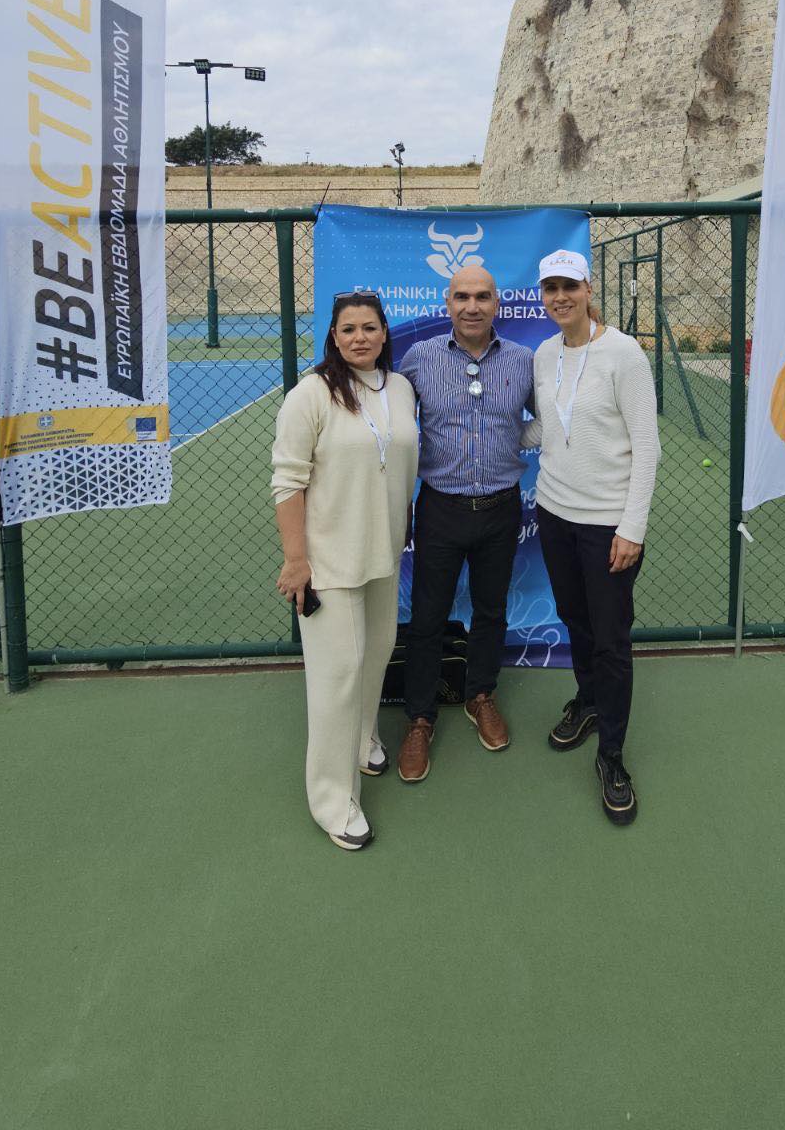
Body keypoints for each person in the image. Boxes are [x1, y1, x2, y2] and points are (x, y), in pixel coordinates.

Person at [272, 292, 418, 851]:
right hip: (329, 563)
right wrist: (297, 561)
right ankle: (333, 801)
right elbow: (288, 482)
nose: (360, 337)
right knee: (337, 680)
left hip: (383, 554)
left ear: (384, 333)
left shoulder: (399, 388)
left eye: (369, 327)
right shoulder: (310, 395)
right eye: (349, 329)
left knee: (375, 656)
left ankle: (362, 741)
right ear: (333, 337)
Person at [523, 248, 660, 825]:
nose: (560, 298)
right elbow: (547, 428)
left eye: (569, 287)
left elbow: (647, 446)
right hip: (554, 514)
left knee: (611, 640)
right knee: (575, 620)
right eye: (550, 289)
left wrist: (632, 527)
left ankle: (612, 756)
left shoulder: (623, 353)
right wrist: (488, 436)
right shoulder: (544, 354)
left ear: (587, 289)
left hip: (608, 525)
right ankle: (588, 700)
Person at [395, 265, 535, 782]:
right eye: (461, 297)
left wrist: (516, 439)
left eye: (481, 297)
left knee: (491, 610)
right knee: (427, 617)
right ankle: (420, 717)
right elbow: (389, 420)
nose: (471, 306)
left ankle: (481, 695)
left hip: (502, 508)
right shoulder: (419, 358)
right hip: (440, 509)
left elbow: (555, 416)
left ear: (497, 303)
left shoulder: (523, 361)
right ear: (448, 303)